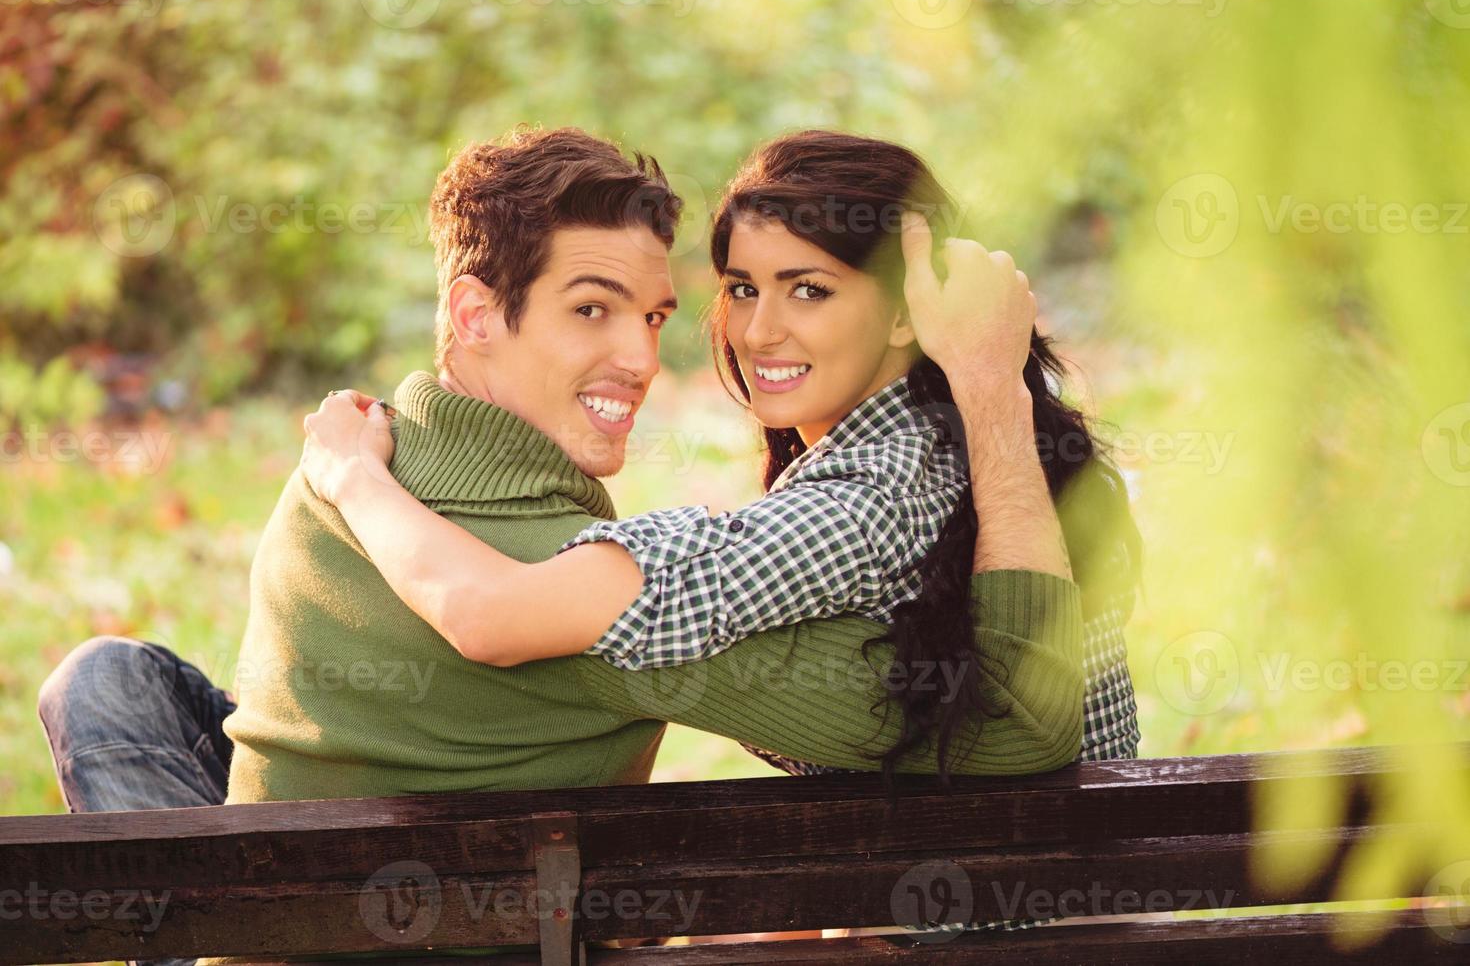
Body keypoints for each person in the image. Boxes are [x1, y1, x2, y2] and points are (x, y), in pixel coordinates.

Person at [301, 130, 1142, 784]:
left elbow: (488, 613)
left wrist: (354, 476)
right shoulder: (967, 456)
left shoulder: (871, 493)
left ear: (903, 317)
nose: (759, 329)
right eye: (743, 288)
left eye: (808, 289)